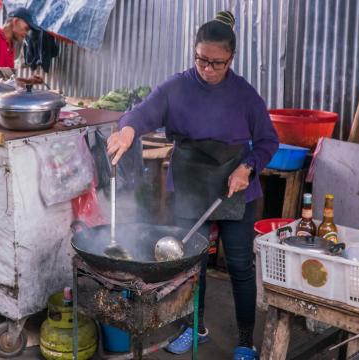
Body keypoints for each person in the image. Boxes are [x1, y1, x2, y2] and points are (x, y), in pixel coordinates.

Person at [107, 11, 278, 360]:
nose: (208, 69)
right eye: (202, 60)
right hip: (189, 183)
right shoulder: (176, 87)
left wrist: (248, 166)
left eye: (217, 63)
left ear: (231, 59)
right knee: (189, 263)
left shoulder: (245, 95)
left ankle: (245, 341)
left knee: (241, 266)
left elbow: (267, 141)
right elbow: (141, 113)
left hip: (234, 187)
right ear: (194, 52)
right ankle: (193, 326)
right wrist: (127, 129)